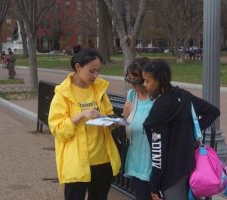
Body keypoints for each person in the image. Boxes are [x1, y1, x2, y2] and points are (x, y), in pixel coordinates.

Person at [142, 59, 221, 200]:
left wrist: (154, 185)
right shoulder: (184, 96)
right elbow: (212, 111)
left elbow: (158, 151)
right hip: (191, 165)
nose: (144, 85)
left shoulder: (160, 108)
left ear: (159, 80)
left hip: (171, 174)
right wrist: (192, 131)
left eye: (147, 81)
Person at [48, 48, 121, 200]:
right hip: (77, 163)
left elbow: (108, 113)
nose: (95, 75)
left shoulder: (99, 89)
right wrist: (80, 115)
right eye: (91, 71)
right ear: (78, 67)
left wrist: (112, 122)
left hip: (103, 160)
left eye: (98, 71)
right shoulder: (62, 94)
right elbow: (58, 130)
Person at [122, 57, 153, 200]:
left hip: (156, 163)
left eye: (136, 79)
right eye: (129, 79)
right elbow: (128, 125)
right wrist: (124, 116)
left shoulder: (159, 97)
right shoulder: (131, 95)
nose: (132, 84)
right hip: (137, 160)